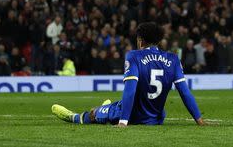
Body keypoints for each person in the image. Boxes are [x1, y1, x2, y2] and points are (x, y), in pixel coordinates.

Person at [52, 22, 204, 126]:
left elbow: (130, 90)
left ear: (140, 41)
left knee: (93, 114)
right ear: (158, 40)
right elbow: (184, 92)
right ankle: (106, 107)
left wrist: (123, 121)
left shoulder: (134, 56)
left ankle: (74, 117)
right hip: (156, 119)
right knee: (112, 107)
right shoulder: (173, 59)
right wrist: (199, 119)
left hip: (129, 115)